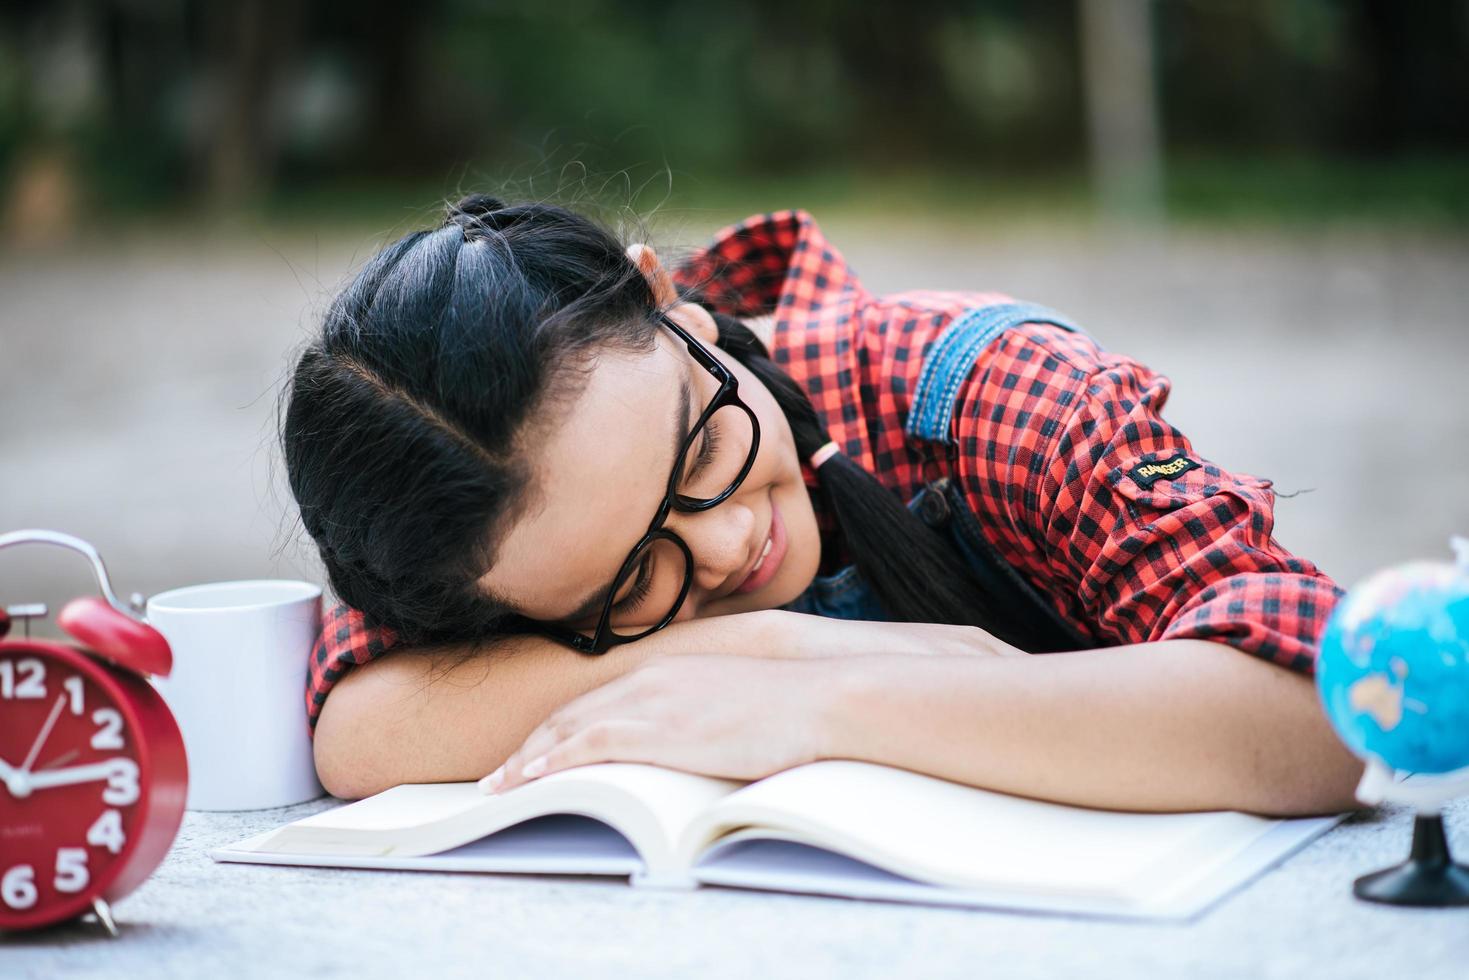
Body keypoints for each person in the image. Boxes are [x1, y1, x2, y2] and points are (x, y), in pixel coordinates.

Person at [281, 195, 1365, 815]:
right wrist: (754, 655)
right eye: (629, 582)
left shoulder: (984, 392)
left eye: (702, 443)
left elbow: (1322, 707)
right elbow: (359, 723)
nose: (728, 538)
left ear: (672, 303)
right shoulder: (469, 506)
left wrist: (827, 706)